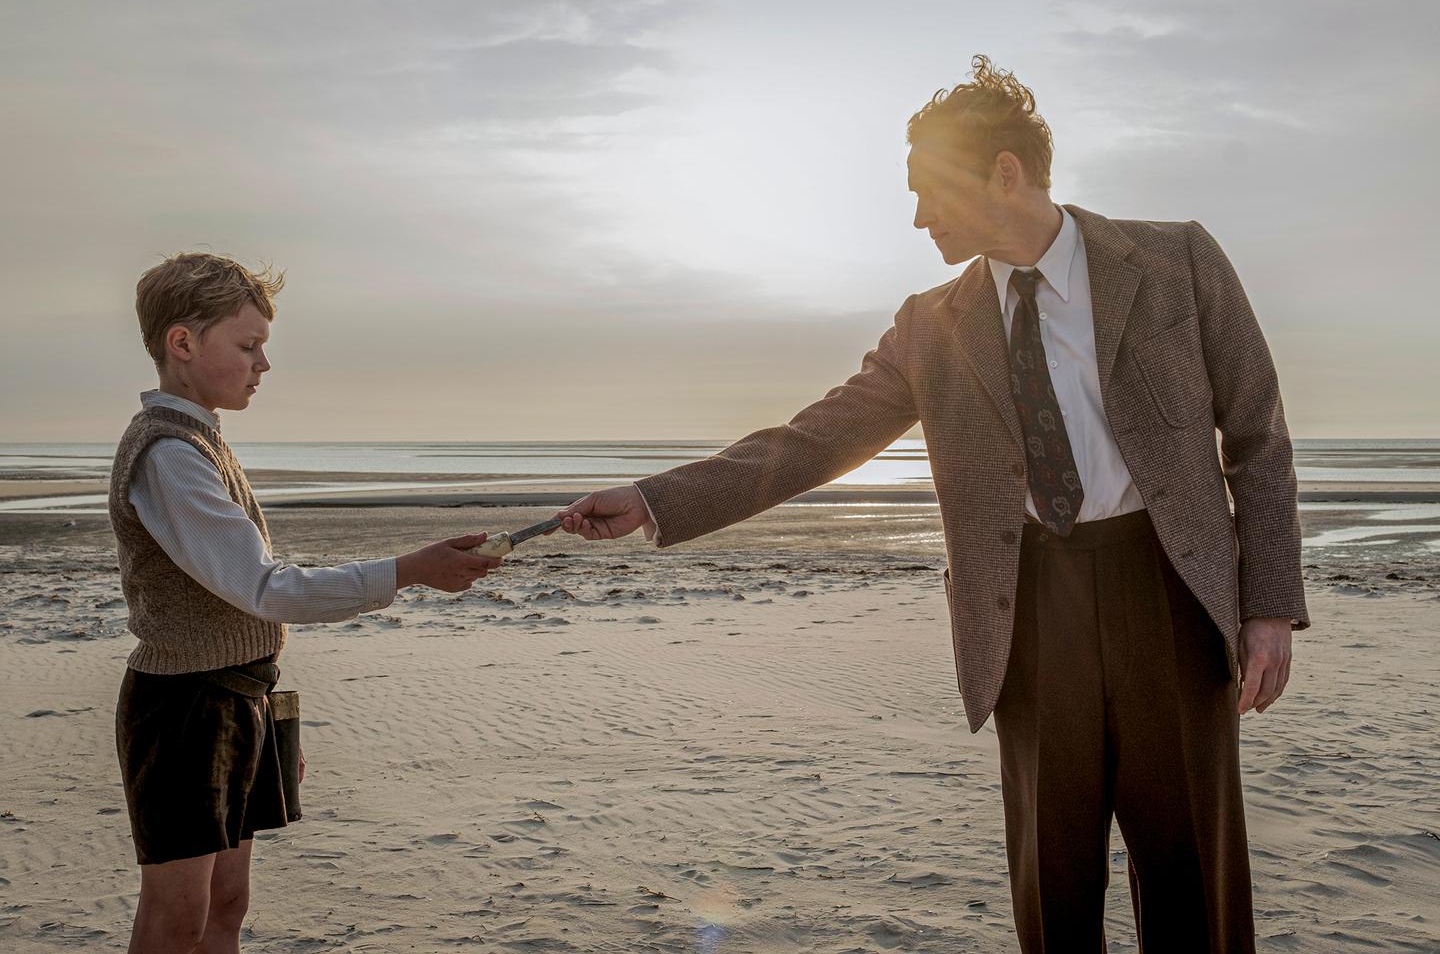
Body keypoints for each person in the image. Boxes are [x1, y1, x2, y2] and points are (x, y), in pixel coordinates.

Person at [556, 56, 1308, 951]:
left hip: (1172, 595)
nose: (918, 218)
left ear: (1004, 170)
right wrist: (652, 500)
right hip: (1026, 613)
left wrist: (1267, 607)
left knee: (1197, 895)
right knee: (1053, 892)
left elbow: (1258, 435)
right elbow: (812, 442)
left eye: (930, 192)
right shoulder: (931, 325)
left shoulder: (1177, 258)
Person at [109, 252, 503, 954]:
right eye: (249, 345)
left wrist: (263, 713)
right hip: (184, 710)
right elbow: (266, 588)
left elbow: (248, 608)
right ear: (183, 343)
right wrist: (408, 569)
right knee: (176, 919)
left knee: (226, 905)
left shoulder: (200, 440)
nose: (263, 364)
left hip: (238, 698)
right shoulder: (167, 453)